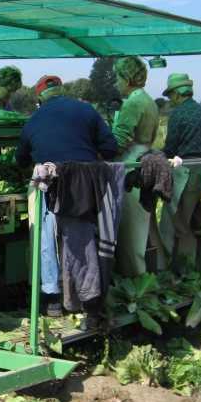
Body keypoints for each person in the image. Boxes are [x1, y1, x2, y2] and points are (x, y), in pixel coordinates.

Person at [17, 75, 118, 316]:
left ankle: (52, 298)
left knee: (46, 239)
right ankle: (88, 299)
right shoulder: (87, 111)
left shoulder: (33, 120)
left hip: (50, 188)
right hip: (86, 190)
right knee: (82, 241)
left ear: (39, 98)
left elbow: (20, 159)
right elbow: (110, 148)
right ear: (62, 92)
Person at [160, 73, 201, 273]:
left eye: (171, 96)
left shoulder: (178, 115)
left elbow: (170, 148)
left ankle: (177, 271)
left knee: (177, 224)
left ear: (177, 94)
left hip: (188, 173)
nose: (170, 100)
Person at [111, 56, 159, 277]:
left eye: (118, 78)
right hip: (146, 157)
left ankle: (132, 277)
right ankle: (143, 272)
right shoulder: (150, 101)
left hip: (132, 164)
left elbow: (119, 140)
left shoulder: (133, 102)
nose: (116, 83)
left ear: (127, 78)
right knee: (142, 224)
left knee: (129, 229)